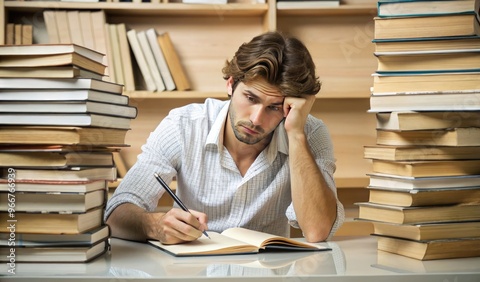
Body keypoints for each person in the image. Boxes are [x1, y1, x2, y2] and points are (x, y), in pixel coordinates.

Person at [105, 31, 344, 245]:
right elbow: (116, 213)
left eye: (274, 107)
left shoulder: (307, 132)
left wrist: (296, 135)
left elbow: (317, 231)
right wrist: (155, 226)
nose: (256, 119)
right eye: (250, 98)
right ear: (231, 84)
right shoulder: (183, 125)